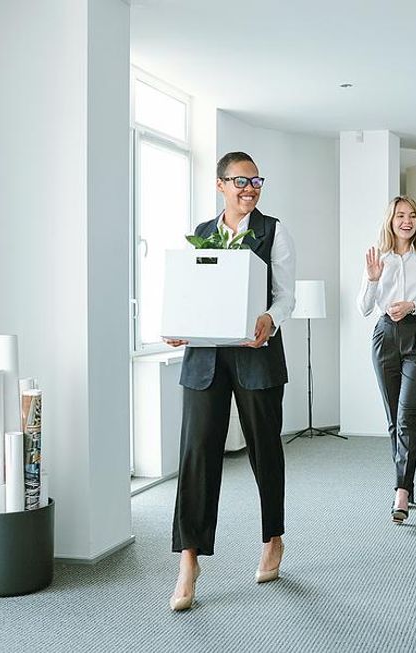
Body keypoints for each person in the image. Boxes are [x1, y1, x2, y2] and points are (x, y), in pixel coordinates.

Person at [165, 151, 296, 611]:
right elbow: (193, 292)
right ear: (220, 184)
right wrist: (178, 320)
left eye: (256, 181)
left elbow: (286, 297)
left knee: (265, 448)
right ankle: (189, 559)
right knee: (197, 453)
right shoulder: (202, 234)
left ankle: (272, 539)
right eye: (240, 181)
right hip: (205, 358)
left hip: (256, 355)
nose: (249, 188)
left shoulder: (273, 231)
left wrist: (269, 318)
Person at [357, 196, 416, 524]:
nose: (406, 221)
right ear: (390, 220)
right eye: (400, 215)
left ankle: (401, 493)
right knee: (394, 420)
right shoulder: (377, 257)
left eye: (412, 216)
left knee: (408, 416)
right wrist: (371, 279)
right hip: (385, 337)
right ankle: (407, 482)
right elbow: (365, 309)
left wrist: (413, 305)